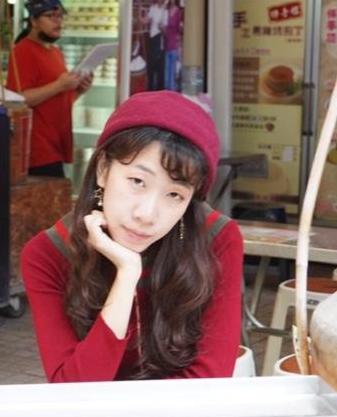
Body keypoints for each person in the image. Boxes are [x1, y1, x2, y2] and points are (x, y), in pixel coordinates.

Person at [21, 90, 244, 382]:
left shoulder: (217, 239)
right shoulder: (49, 254)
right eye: (137, 181)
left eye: (175, 195)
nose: (146, 214)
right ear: (103, 169)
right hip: (97, 413)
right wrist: (126, 276)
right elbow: (72, 388)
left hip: (183, 412)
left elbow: (209, 379)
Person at [7, 0, 94, 178]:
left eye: (61, 16)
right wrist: (60, 85)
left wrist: (79, 90)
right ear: (33, 20)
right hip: (36, 151)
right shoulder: (22, 51)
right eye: (50, 16)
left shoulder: (55, 52)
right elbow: (18, 100)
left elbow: (58, 101)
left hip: (57, 145)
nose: (58, 21)